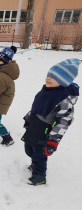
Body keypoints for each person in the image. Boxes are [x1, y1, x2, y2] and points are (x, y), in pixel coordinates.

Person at [22, 58, 80, 186]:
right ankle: (35, 164)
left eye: (54, 78)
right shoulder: (45, 91)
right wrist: (28, 118)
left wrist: (52, 142)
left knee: (39, 155)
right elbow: (35, 107)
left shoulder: (64, 101)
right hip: (34, 127)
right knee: (29, 150)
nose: (48, 78)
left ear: (63, 81)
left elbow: (63, 122)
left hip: (45, 132)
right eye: (48, 75)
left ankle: (40, 176)